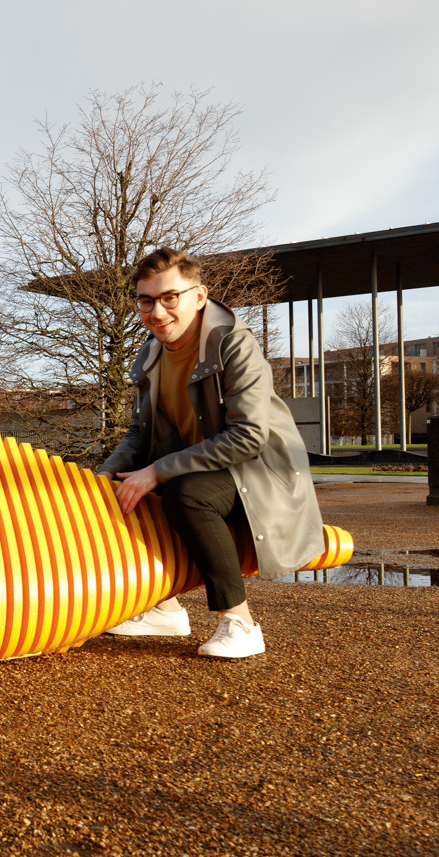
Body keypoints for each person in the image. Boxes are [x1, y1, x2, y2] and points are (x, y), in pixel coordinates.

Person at [97, 247, 324, 658]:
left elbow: (249, 435)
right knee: (129, 491)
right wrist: (105, 475)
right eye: (146, 301)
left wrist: (159, 471)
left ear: (199, 296)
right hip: (202, 466)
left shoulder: (233, 344)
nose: (157, 311)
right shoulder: (150, 355)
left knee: (186, 495)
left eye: (170, 297)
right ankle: (165, 609)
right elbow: (138, 433)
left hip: (258, 471)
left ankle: (241, 623)